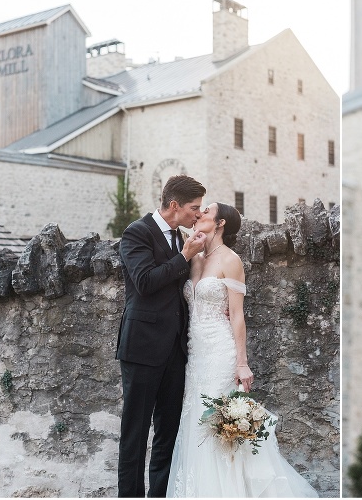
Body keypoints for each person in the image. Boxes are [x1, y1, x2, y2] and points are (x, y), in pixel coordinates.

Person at [167, 202, 318, 498]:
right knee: (195, 420)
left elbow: (237, 315)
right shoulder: (193, 257)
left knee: (217, 426)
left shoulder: (230, 260)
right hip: (195, 354)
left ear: (221, 223)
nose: (198, 216)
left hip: (221, 353)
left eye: (206, 212)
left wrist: (242, 363)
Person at [116, 175, 208, 497]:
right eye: (194, 208)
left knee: (167, 434)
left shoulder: (181, 238)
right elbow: (144, 282)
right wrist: (184, 257)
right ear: (174, 205)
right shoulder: (136, 232)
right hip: (142, 349)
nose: (198, 214)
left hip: (175, 352)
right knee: (135, 436)